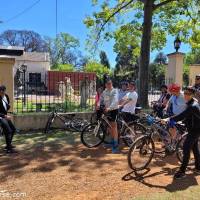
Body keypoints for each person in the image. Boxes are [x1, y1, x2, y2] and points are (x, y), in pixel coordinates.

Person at [163, 87, 200, 179]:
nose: (186, 95)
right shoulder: (190, 103)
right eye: (185, 93)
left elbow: (182, 115)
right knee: (194, 148)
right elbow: (187, 116)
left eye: (188, 94)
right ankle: (198, 167)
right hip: (193, 128)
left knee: (186, 148)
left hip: (195, 130)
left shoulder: (193, 105)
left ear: (193, 95)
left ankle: (182, 171)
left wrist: (169, 119)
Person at [100, 78, 119, 153]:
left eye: (110, 83)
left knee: (114, 127)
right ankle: (112, 141)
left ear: (112, 84)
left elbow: (115, 101)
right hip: (107, 110)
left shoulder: (115, 91)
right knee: (109, 127)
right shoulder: (104, 92)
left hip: (113, 110)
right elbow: (101, 99)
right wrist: (99, 105)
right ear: (105, 85)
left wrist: (109, 108)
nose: (109, 85)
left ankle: (115, 144)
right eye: (107, 84)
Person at [0, 85, 16, 153]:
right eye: (1, 91)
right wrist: (5, 116)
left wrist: (8, 107)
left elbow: (7, 106)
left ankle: (8, 145)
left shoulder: (6, 96)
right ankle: (9, 149)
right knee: (8, 130)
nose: (2, 92)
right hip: (1, 117)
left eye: (3, 91)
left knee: (13, 129)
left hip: (5, 116)